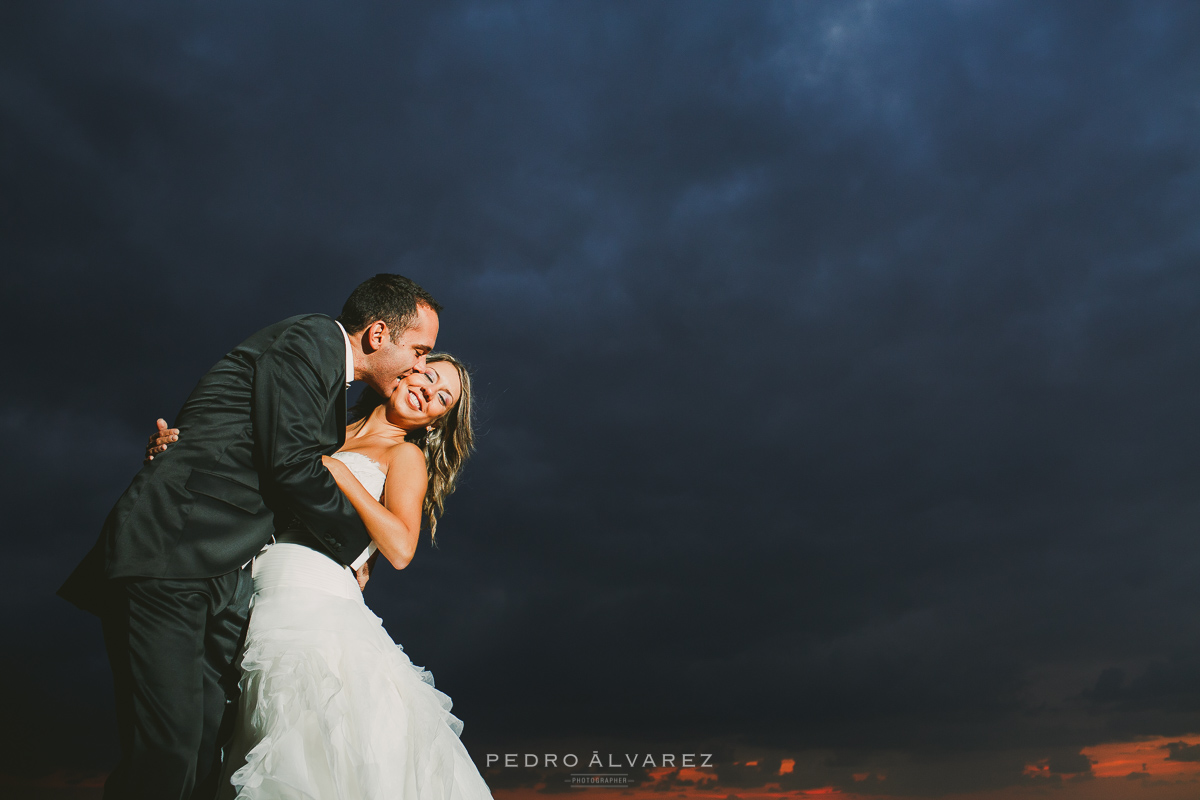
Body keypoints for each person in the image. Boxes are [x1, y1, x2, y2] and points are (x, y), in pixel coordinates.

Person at [58, 274, 441, 800]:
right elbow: (289, 464)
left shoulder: (334, 394)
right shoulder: (308, 342)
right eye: (419, 351)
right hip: (174, 550)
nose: (420, 368)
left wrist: (183, 445)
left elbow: (238, 432)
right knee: (167, 752)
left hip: (228, 573)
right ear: (378, 335)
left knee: (202, 755)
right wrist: (354, 550)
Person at [148, 354, 489, 800]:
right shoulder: (323, 431)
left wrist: (344, 473)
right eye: (427, 375)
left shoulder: (403, 454)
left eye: (442, 396)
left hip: (318, 609)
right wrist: (174, 452)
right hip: (256, 596)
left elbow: (402, 547)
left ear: (435, 420)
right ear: (405, 372)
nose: (428, 390)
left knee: (309, 754)